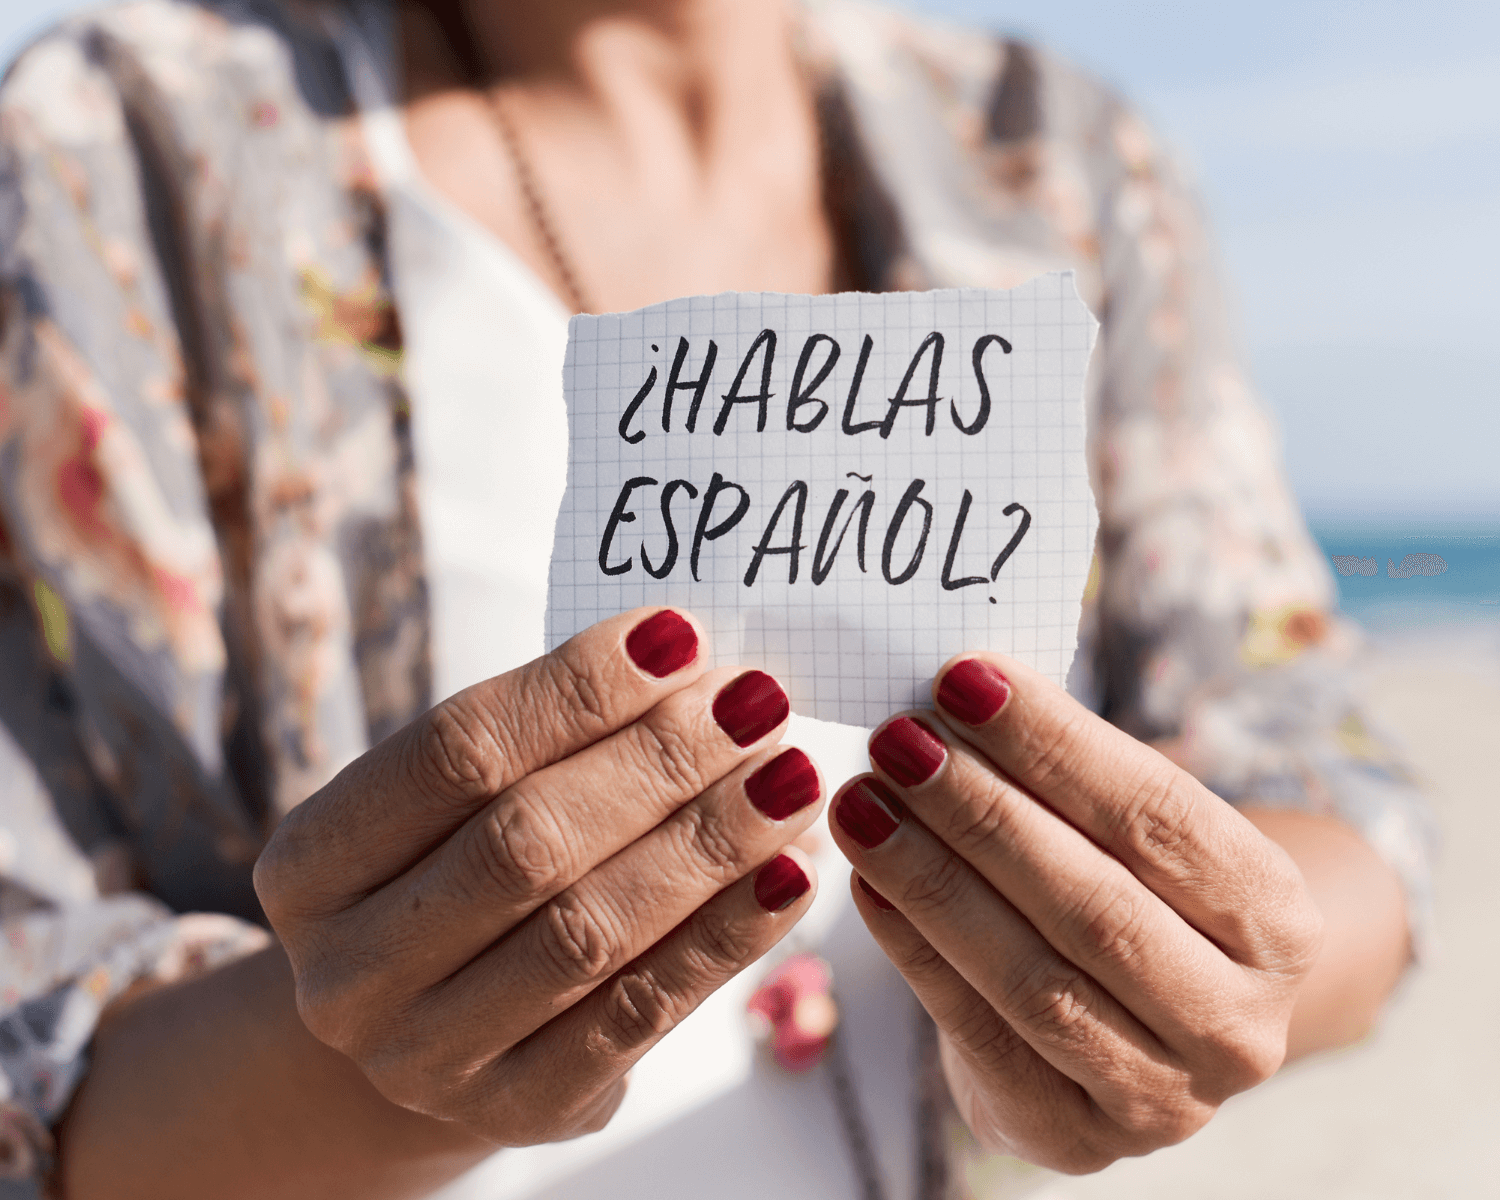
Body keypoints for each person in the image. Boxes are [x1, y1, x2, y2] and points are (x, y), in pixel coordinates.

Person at [0, 0, 1433, 1197]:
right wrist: (381, 1064)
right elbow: (33, 1057)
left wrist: (1207, 976)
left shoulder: (1054, 157)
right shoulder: (114, 149)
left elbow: (1319, 774)